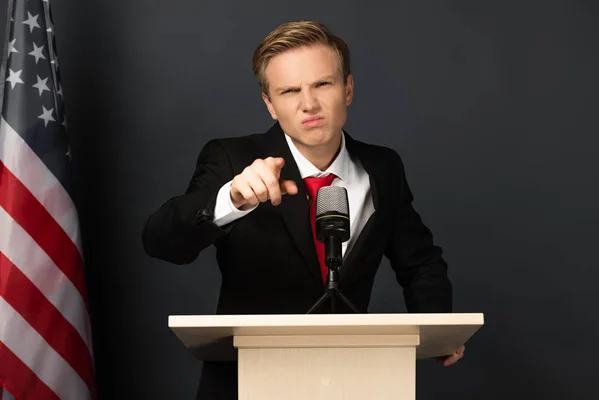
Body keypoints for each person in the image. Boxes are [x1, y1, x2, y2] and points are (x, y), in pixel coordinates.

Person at [142, 20, 464, 399]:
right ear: (270, 104)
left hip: (355, 380)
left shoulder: (383, 167)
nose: (308, 104)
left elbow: (419, 261)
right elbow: (161, 241)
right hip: (249, 382)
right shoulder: (232, 158)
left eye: (322, 84)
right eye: (289, 90)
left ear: (348, 89)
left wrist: (438, 328)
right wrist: (229, 200)